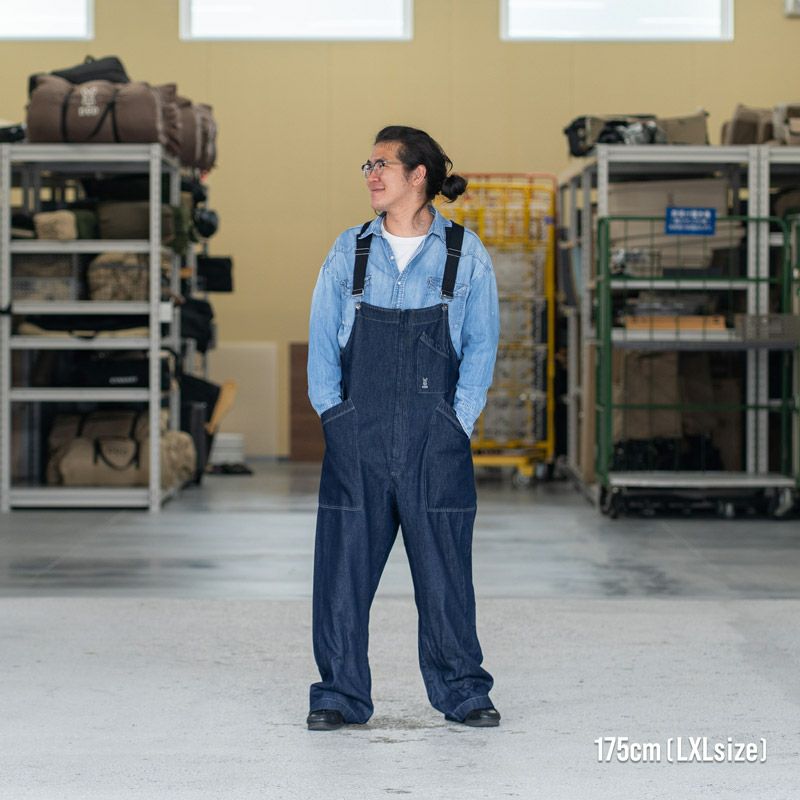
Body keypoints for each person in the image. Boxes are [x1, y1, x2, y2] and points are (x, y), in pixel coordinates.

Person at [306, 125, 500, 731]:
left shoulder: (464, 254)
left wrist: (455, 424)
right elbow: (321, 346)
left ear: (419, 176)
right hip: (357, 435)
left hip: (434, 438)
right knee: (342, 570)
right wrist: (335, 418)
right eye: (367, 165)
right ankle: (339, 694)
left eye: (383, 164)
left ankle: (463, 691)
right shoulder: (349, 251)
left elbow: (481, 347)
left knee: (445, 573)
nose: (371, 175)